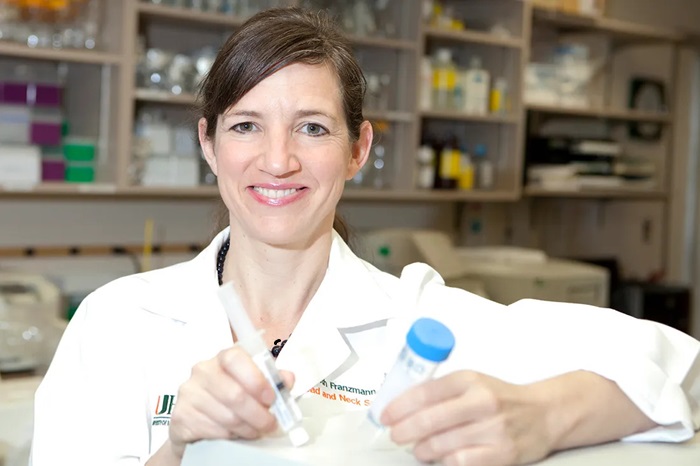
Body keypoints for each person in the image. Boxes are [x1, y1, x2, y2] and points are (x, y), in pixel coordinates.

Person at [31, 7, 699, 466]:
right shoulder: (118, 321)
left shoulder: (419, 317)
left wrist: (540, 418)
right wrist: (176, 447)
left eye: (313, 127)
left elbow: (679, 368)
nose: (278, 159)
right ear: (208, 144)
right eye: (246, 126)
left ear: (358, 149)